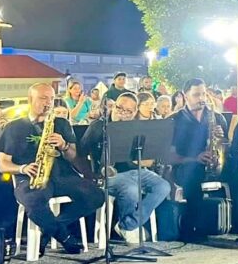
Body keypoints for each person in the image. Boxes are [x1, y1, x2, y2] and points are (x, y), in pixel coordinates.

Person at [0, 83, 104, 255]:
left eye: (52, 99)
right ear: (30, 99)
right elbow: (3, 165)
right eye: (43, 98)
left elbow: (73, 156)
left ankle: (49, 232)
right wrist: (23, 168)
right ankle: (65, 237)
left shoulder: (61, 123)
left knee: (96, 195)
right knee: (34, 202)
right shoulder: (14, 127)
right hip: (32, 176)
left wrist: (64, 145)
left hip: (63, 175)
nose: (48, 103)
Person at [79, 93, 171, 241]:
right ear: (113, 106)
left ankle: (128, 225)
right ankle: (131, 228)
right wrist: (90, 173)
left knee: (163, 186)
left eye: (128, 111)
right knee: (131, 189)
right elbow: (81, 152)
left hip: (136, 170)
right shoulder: (98, 126)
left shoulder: (136, 127)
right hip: (111, 175)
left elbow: (147, 156)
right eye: (120, 108)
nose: (122, 113)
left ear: (134, 112)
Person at [170, 78, 228, 242]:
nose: (201, 99)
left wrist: (221, 139)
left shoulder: (216, 117)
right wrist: (194, 158)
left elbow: (227, 148)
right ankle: (191, 227)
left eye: (203, 94)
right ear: (184, 96)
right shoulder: (174, 120)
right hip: (184, 166)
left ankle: (237, 222)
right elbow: (169, 156)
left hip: (213, 164)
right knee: (193, 173)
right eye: (196, 95)